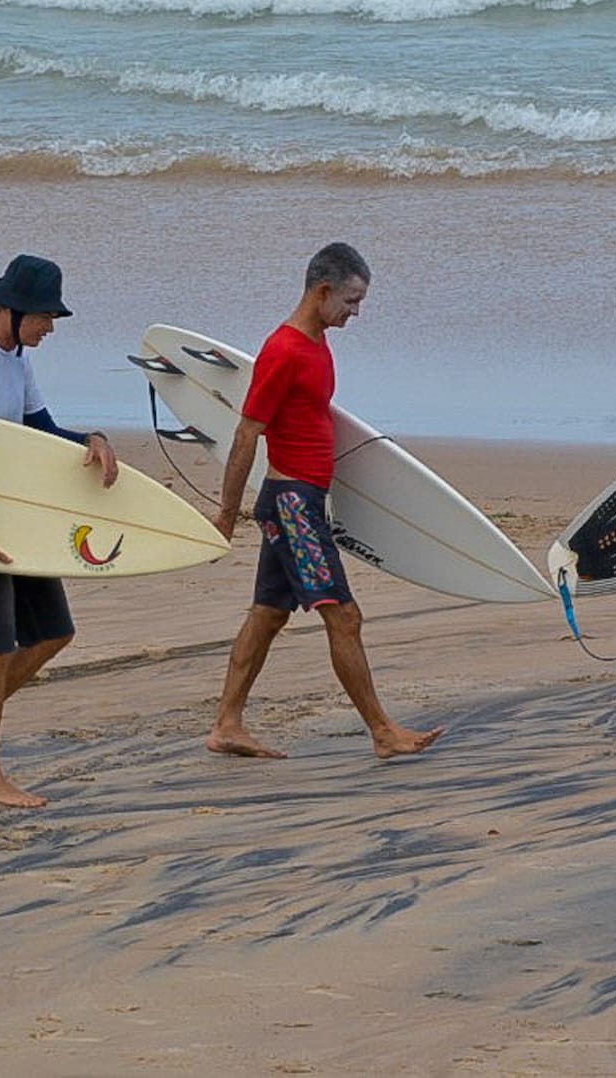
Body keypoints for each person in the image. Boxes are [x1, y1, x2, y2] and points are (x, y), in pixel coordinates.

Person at [208, 242, 444, 760]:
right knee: (344, 616)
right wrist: (227, 513)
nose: (355, 313)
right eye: (351, 301)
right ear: (322, 291)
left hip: (303, 500)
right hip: (292, 503)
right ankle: (382, 731)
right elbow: (248, 432)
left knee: (269, 614)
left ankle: (226, 723)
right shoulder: (285, 350)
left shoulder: (316, 344)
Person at [0, 254, 118, 807]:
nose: (50, 327)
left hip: (16, 515)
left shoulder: (14, 357)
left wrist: (91, 438)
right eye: (44, 316)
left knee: (54, 631)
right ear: (11, 310)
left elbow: (39, 430)